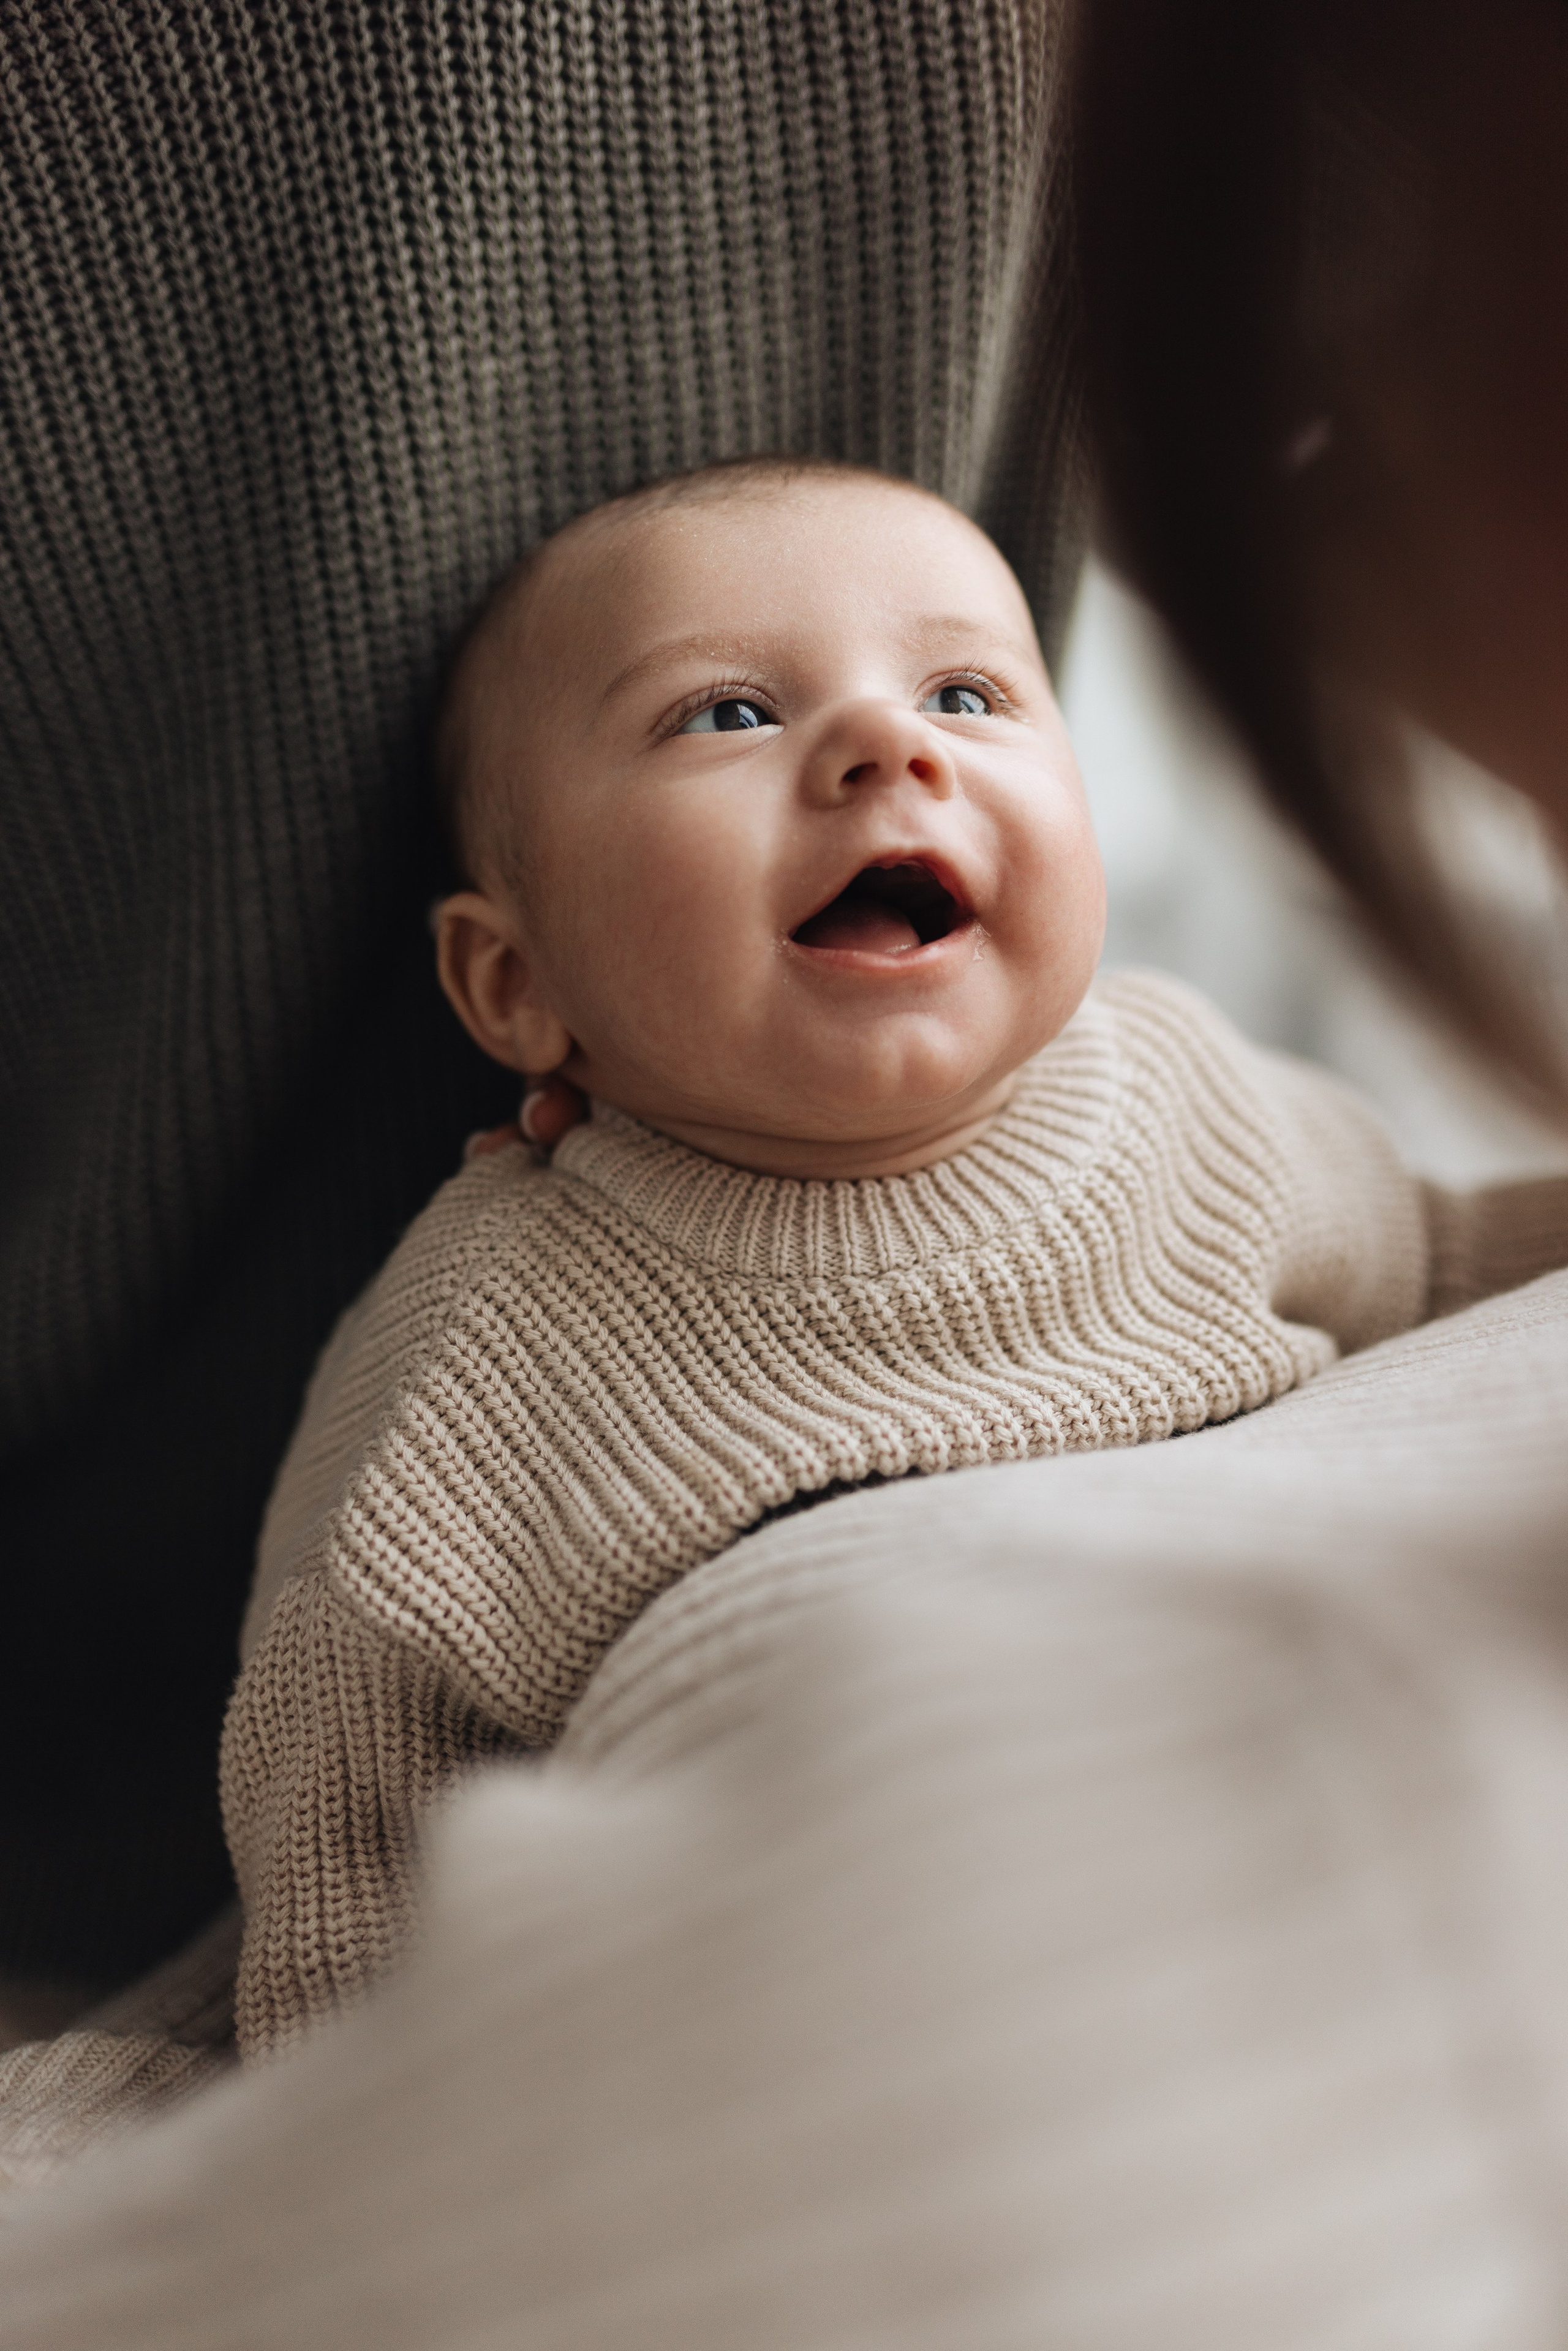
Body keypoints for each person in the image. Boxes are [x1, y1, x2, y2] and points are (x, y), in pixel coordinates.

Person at [221, 454, 1567, 2057]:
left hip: (1304, 1865)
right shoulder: (489, 1345)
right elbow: (348, 1781)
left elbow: (1452, 1267)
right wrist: (364, 2113)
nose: (887, 743)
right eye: (725, 714)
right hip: (826, 1995)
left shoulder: (1187, 1100)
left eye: (970, 691)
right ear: (513, 982)